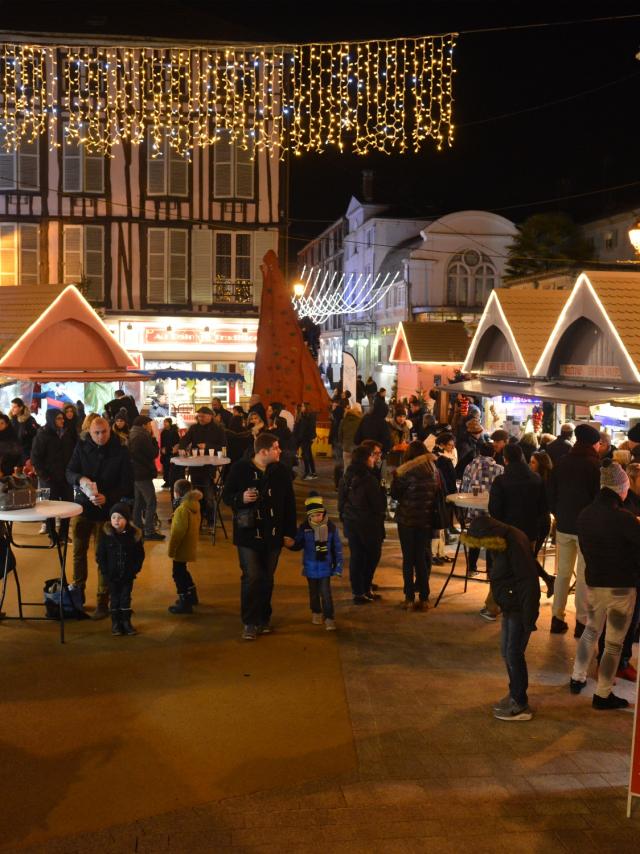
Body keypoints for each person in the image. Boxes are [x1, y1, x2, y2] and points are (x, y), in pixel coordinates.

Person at [570, 460, 640, 710]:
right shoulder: (626, 519)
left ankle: (577, 677)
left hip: (595, 584)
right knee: (613, 644)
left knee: (590, 631)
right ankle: (603, 693)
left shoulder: (585, 514)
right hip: (622, 588)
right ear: (619, 487)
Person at [462, 515, 540, 722]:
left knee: (513, 654)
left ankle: (520, 703)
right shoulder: (505, 539)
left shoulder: (512, 541)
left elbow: (527, 579)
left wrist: (529, 618)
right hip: (510, 605)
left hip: (519, 609)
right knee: (507, 652)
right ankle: (515, 694)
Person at [222, 432, 297, 640]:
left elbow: (289, 504)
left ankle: (264, 618)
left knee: (267, 578)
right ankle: (249, 622)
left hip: (274, 534)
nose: (279, 450)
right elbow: (227, 496)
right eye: (276, 447)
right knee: (252, 577)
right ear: (263, 452)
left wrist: (290, 533)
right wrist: (241, 497)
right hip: (248, 534)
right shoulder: (239, 469)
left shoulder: (281, 472)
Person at [66, 416, 135, 619]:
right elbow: (69, 471)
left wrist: (109, 496)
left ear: (109, 430)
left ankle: (102, 600)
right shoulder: (81, 446)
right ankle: (77, 596)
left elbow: (127, 484)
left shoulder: (120, 450)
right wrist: (80, 479)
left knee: (103, 556)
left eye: (104, 432)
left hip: (107, 512)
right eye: (96, 433)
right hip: (82, 509)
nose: (100, 436)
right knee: (78, 553)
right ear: (90, 431)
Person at [547, 422, 601, 637]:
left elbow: (550, 492)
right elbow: (599, 498)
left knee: (562, 573)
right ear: (593, 444)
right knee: (583, 575)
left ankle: (556, 618)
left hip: (564, 525)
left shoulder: (562, 462)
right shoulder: (596, 466)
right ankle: (581, 621)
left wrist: (558, 513)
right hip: (587, 529)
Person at [489, 443, 554, 598]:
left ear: (505, 460)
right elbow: (543, 506)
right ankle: (533, 592)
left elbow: (494, 510)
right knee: (526, 563)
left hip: (508, 531)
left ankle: (504, 602)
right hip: (530, 530)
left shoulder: (501, 481)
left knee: (507, 566)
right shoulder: (536, 478)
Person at [390, 441, 439, 610]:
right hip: (425, 520)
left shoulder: (405, 471)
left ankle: (409, 598)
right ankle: (424, 598)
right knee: (421, 558)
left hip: (407, 520)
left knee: (408, 559)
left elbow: (395, 494)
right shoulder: (433, 469)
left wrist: (394, 478)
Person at [338, 444, 387, 605]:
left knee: (357, 556)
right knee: (371, 556)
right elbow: (378, 506)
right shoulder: (370, 479)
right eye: (372, 456)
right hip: (368, 524)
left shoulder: (347, 475)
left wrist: (344, 516)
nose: (374, 459)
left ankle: (358, 591)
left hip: (351, 522)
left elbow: (341, 499)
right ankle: (365, 588)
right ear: (366, 459)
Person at [289, 493, 343, 630]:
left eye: (319, 514)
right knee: (313, 592)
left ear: (323, 513)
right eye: (313, 516)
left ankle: (329, 617)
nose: (317, 518)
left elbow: (337, 548)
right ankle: (316, 612)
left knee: (325, 593)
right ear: (309, 516)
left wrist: (338, 566)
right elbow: (298, 544)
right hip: (310, 567)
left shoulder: (331, 528)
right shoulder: (305, 528)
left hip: (325, 567)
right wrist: (290, 544)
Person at [96, 502, 145, 637]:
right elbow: (100, 555)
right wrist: (105, 571)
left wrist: (135, 569)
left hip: (127, 575)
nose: (116, 520)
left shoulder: (133, 536)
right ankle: (116, 623)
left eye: (120, 517)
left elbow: (139, 555)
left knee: (125, 598)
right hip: (112, 575)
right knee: (115, 599)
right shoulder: (106, 536)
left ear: (127, 520)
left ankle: (126, 622)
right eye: (113, 517)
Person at [30, 408, 76, 539]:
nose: (62, 420)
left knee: (68, 506)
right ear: (51, 419)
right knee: (49, 507)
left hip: (65, 477)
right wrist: (44, 475)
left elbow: (73, 452)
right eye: (58, 418)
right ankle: (51, 533)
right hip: (49, 478)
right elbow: (35, 458)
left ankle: (64, 534)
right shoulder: (42, 435)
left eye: (62, 418)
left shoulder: (67, 433)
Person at [460, 442, 503, 581]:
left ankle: (471, 568)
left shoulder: (469, 466)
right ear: (494, 453)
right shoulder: (499, 469)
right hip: (492, 511)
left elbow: (464, 488)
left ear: (479, 452)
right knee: (491, 538)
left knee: (475, 537)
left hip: (473, 510)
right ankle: (490, 571)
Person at [179, 406, 226, 524]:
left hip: (209, 465)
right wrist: (181, 448)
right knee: (195, 492)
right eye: (199, 416)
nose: (200, 418)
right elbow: (185, 440)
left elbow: (223, 447)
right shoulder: (194, 428)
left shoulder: (218, 429)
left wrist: (207, 446)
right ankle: (198, 518)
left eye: (203, 416)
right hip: (195, 465)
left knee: (208, 493)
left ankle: (211, 519)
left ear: (210, 416)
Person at [167, 478, 202, 614]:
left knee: (178, 574)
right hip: (190, 544)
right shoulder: (194, 504)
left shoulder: (182, 509)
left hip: (181, 547)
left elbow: (178, 532)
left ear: (176, 493)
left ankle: (184, 601)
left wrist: (172, 549)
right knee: (183, 571)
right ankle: (192, 596)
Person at [129, 415, 165, 542]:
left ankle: (138, 528)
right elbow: (153, 453)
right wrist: (154, 439)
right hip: (142, 473)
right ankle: (149, 530)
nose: (151, 426)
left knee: (138, 502)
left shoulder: (132, 434)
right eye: (149, 424)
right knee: (151, 501)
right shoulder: (142, 436)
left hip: (135, 472)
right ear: (144, 425)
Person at [9, 397, 38, 462]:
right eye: (12, 407)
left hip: (26, 453)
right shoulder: (12, 420)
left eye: (14, 407)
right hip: (14, 452)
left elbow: (35, 437)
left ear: (21, 407)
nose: (12, 409)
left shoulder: (29, 420)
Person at [294, 402, 317, 480]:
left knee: (305, 455)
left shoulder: (309, 416)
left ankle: (307, 472)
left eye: (303, 406)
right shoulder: (302, 416)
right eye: (301, 406)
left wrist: (311, 437)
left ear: (307, 407)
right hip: (302, 438)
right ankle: (313, 472)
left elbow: (311, 428)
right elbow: (298, 428)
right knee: (308, 455)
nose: (302, 408)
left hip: (307, 439)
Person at [338, 401, 363, 473]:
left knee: (346, 468)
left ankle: (346, 483)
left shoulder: (343, 420)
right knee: (357, 469)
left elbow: (340, 434)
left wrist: (343, 444)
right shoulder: (361, 421)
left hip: (346, 448)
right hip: (357, 448)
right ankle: (355, 483)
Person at [160, 417, 180, 488]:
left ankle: (171, 482)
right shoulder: (163, 432)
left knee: (171, 468)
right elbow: (162, 443)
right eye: (164, 422)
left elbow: (177, 442)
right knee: (165, 468)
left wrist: (171, 449)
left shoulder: (174, 432)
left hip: (171, 452)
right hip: (165, 453)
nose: (164, 424)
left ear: (169, 423)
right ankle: (166, 481)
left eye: (166, 422)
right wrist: (162, 450)